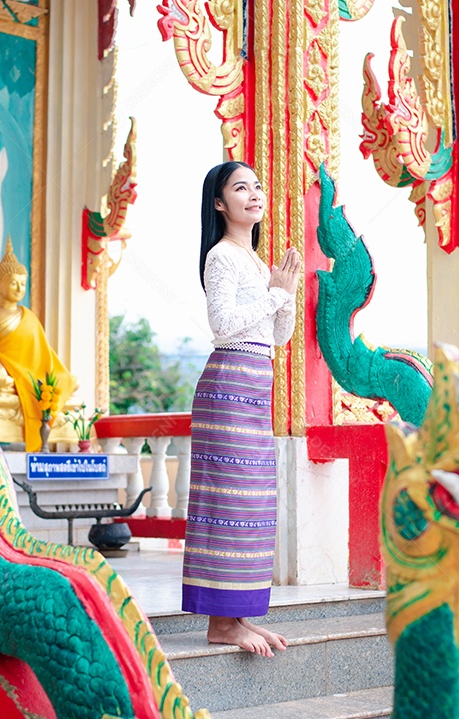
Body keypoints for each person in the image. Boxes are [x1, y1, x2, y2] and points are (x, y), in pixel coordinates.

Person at [181, 161, 302, 657]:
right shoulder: (221, 257)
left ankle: (239, 616)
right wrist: (275, 294)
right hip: (229, 382)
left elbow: (278, 336)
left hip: (257, 383)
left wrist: (286, 295)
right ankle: (222, 623)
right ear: (219, 203)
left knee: (251, 505)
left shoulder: (255, 260)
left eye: (256, 186)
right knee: (228, 503)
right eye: (240, 187)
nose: (253, 194)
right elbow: (224, 323)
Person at [0, 239, 78, 450]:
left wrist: (56, 374)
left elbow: (43, 352)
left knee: (70, 381)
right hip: (7, 373)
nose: (19, 288)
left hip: (33, 373)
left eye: (23, 283)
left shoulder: (29, 316)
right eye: (13, 283)